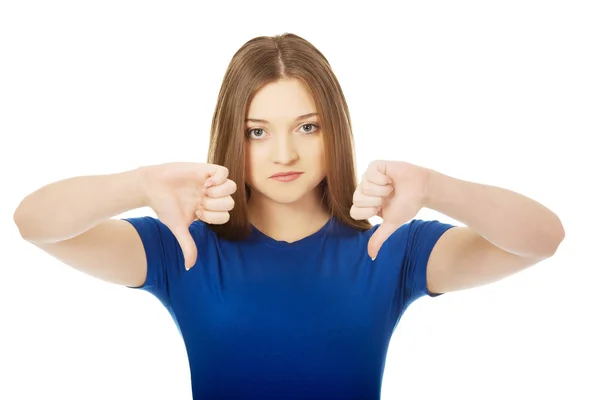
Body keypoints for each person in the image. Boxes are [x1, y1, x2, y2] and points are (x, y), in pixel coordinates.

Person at [13, 33, 565, 399]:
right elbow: (34, 223)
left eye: (307, 127)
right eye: (258, 131)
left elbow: (542, 239)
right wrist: (135, 184)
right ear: (233, 135)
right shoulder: (182, 249)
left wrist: (438, 188)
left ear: (334, 132)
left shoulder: (389, 251)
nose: (284, 154)